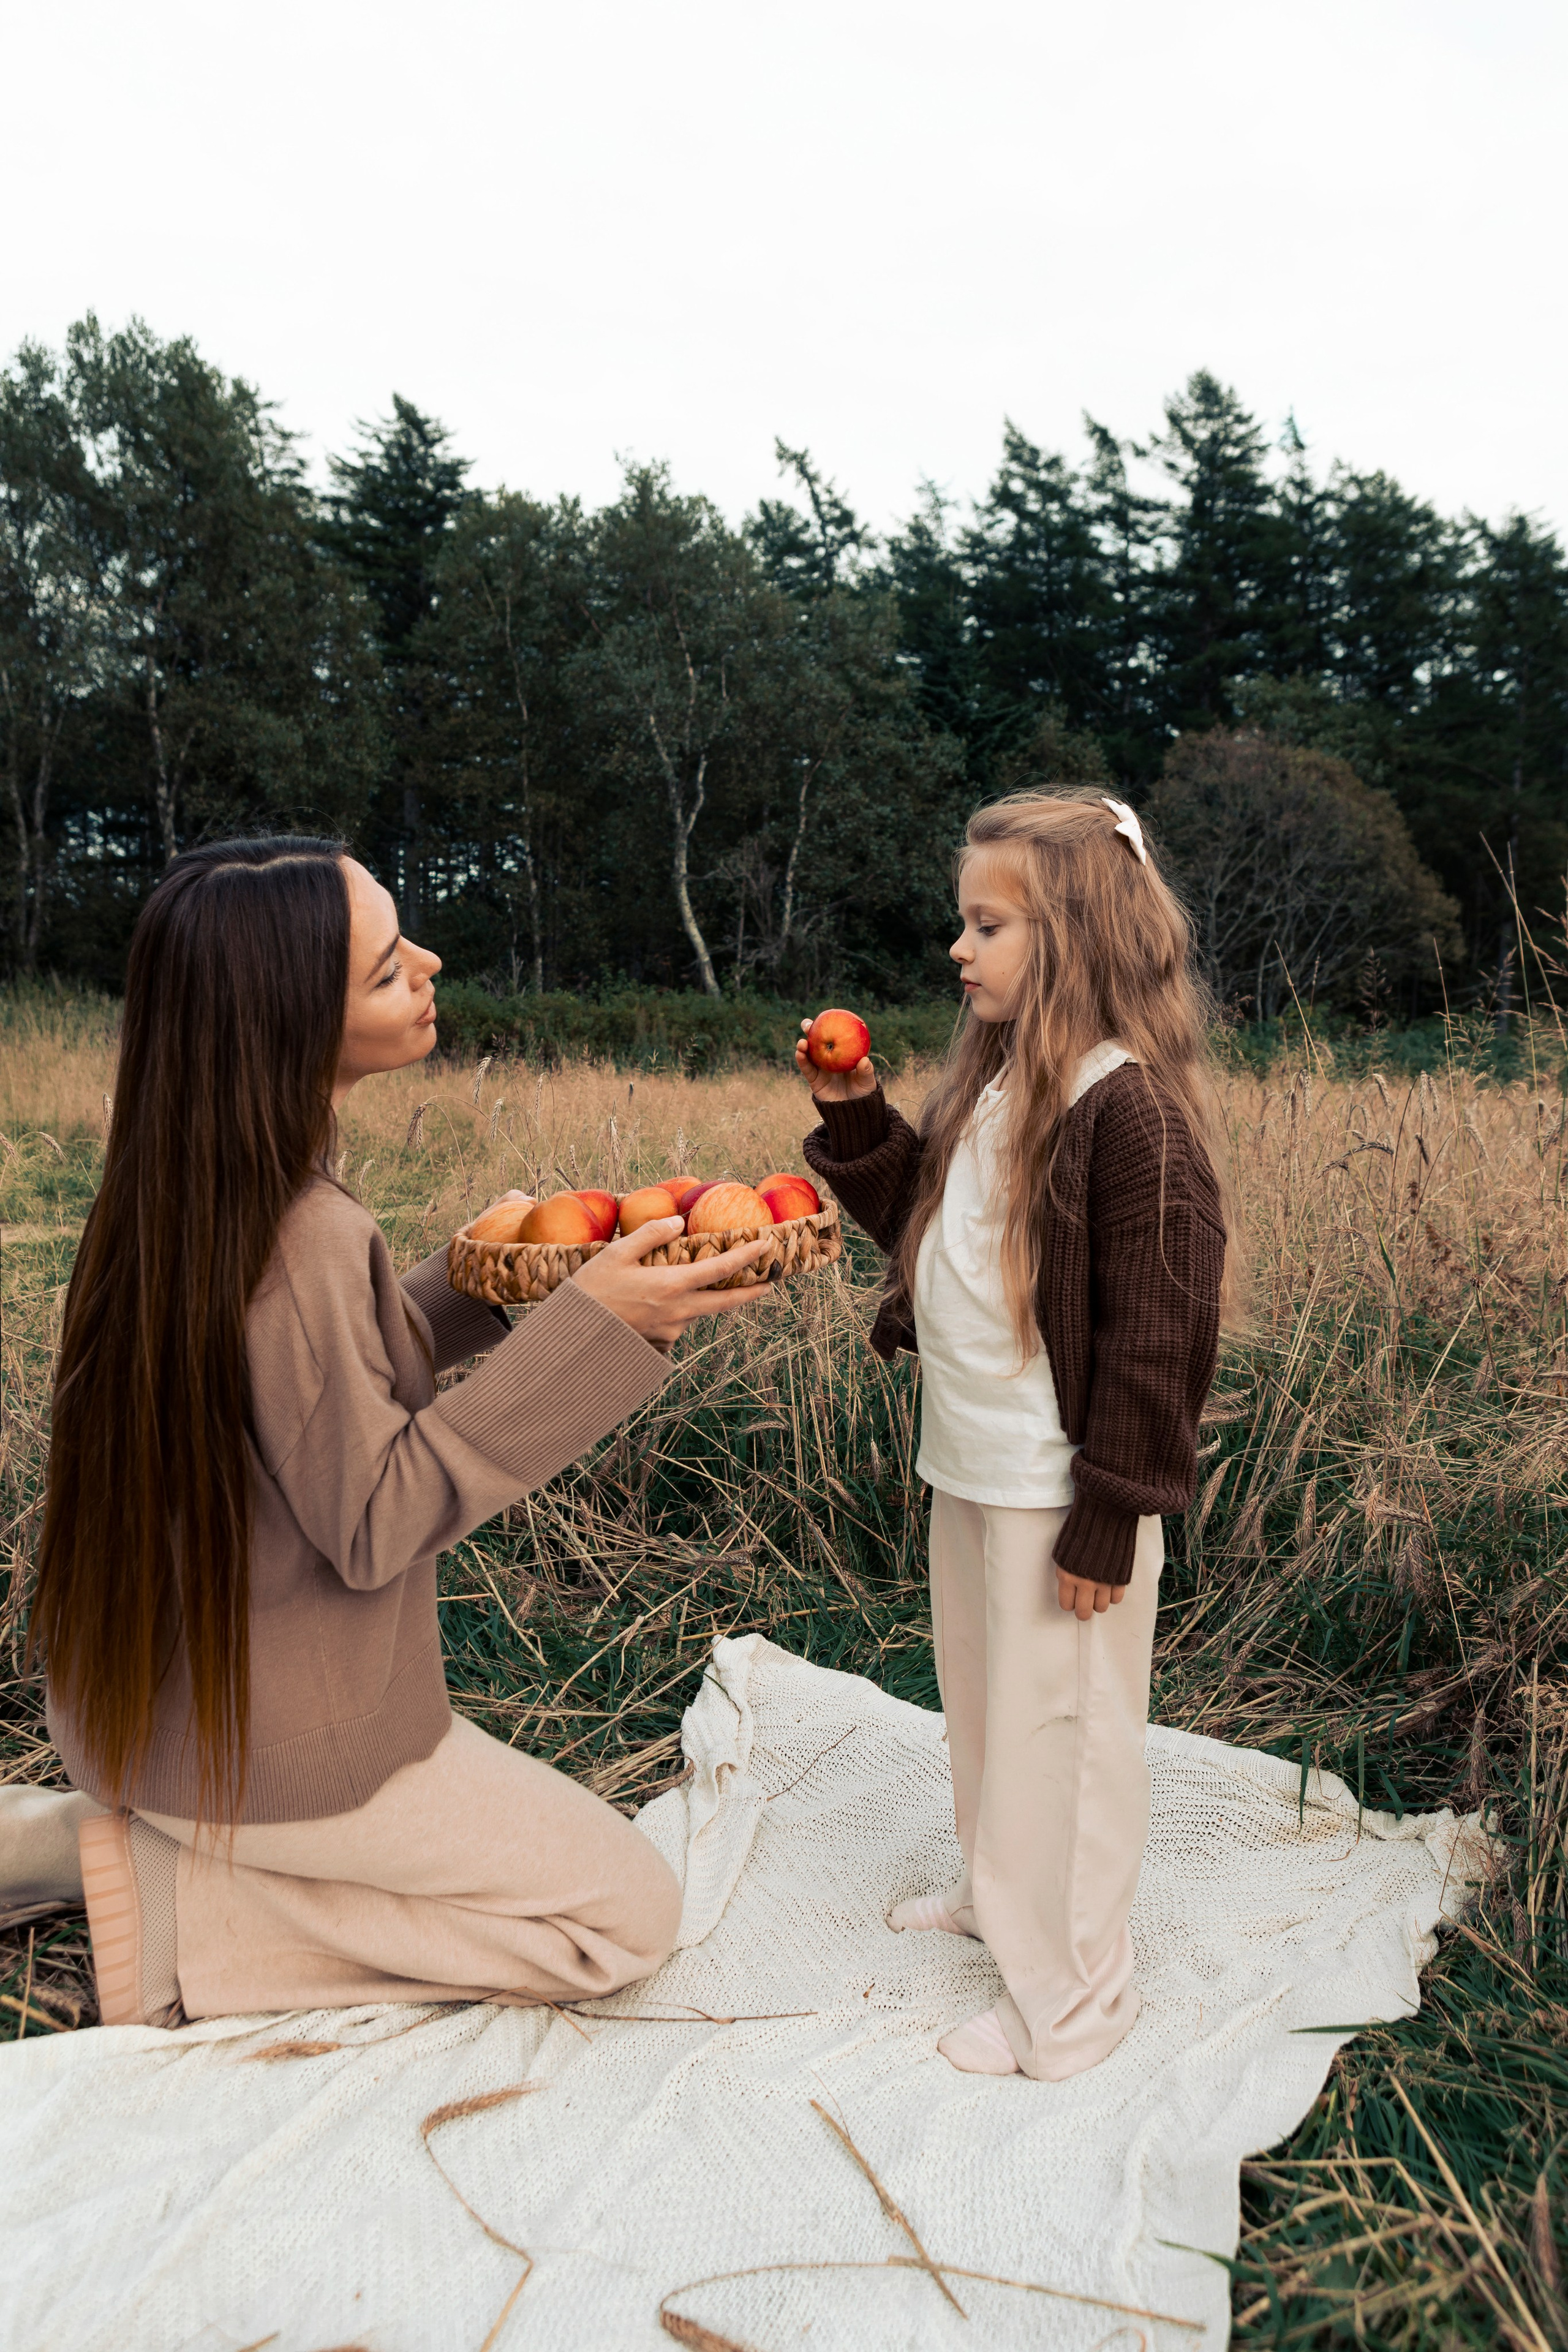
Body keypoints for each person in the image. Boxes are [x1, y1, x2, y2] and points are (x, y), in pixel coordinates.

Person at [10, 836, 771, 2028]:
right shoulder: (301, 1232)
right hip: (276, 1749)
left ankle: (74, 1834)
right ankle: (170, 1896)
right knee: (626, 1916)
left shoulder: (174, 1190)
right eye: (381, 969)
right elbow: (373, 1520)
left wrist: (469, 1292)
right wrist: (591, 1330)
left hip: (145, 1717)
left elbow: (295, 1392)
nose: (428, 962)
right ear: (286, 1023)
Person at [797, 790, 1234, 2079]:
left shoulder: (1129, 1117)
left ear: (1077, 937)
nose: (957, 948)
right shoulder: (1000, 1087)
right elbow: (933, 1243)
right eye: (961, 923)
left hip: (1062, 1494)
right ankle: (1000, 1896)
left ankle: (1074, 2004)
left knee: (1072, 1745)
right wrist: (857, 1115)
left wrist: (1112, 1507)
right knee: (989, 1714)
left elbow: (1159, 1340)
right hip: (973, 1469)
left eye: (987, 925)